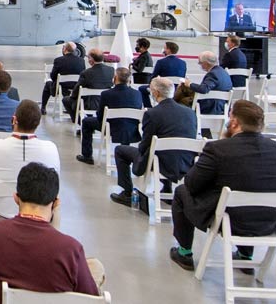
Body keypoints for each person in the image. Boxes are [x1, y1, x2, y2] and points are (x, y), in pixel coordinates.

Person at [169, 100, 276, 271]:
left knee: (182, 191)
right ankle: (245, 255)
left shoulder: (218, 149)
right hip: (270, 221)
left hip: (231, 220)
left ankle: (184, 252)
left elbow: (192, 184)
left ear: (234, 122)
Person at [0, 163, 99, 304]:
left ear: (16, 198)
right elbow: (90, 299)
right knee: (96, 268)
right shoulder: (71, 249)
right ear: (56, 203)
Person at [111, 77, 197, 206]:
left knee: (120, 150)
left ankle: (127, 193)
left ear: (155, 93)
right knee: (165, 150)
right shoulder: (190, 112)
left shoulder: (152, 113)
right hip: (185, 161)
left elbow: (146, 144)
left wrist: (140, 157)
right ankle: (167, 188)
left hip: (159, 161)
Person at [0, 101, 61, 221]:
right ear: (38, 123)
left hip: (1, 215)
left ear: (14, 120)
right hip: (41, 217)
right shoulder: (51, 148)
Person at [77, 67, 143, 165]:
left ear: (115, 78)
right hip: (131, 129)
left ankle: (87, 156)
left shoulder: (106, 94)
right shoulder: (137, 93)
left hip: (111, 127)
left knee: (86, 122)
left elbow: (100, 115)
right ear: (129, 79)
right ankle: (126, 153)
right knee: (125, 121)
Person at [62, 48, 113, 123]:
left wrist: (73, 97)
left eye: (88, 57)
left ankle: (80, 122)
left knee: (66, 100)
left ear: (91, 60)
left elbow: (77, 90)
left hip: (89, 103)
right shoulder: (111, 70)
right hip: (105, 102)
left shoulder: (86, 73)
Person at [186, 51, 233, 131]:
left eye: (200, 63)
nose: (200, 65)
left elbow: (204, 89)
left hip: (212, 106)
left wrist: (190, 84)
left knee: (184, 103)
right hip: (222, 104)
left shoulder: (213, 74)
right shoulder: (222, 71)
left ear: (206, 63)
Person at [39, 42, 85, 115]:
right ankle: (69, 106)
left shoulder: (58, 60)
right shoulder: (81, 61)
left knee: (48, 84)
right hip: (75, 88)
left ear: (64, 49)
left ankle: (43, 107)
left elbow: (53, 76)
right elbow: (82, 76)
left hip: (61, 88)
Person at [139, 41, 186, 107]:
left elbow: (154, 77)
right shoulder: (183, 63)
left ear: (168, 50)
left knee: (142, 89)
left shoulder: (161, 62)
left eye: (164, 48)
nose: (163, 50)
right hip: (177, 90)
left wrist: (150, 85)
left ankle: (148, 107)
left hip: (164, 89)